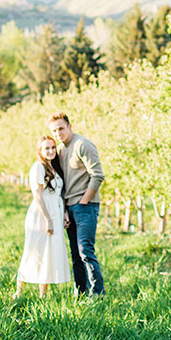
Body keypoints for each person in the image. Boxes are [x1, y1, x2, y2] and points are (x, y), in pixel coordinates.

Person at [49, 110, 106, 298]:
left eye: (61, 129)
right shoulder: (60, 150)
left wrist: (84, 201)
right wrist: (65, 210)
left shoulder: (83, 145)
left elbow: (97, 175)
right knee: (75, 254)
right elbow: (64, 183)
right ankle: (80, 292)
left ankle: (97, 293)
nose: (58, 133)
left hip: (85, 206)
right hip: (70, 208)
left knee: (85, 251)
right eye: (55, 131)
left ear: (69, 126)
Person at [15, 135, 73, 298]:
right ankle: (19, 292)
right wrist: (48, 219)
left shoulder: (54, 168)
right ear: (40, 150)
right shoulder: (38, 167)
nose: (51, 151)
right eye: (46, 148)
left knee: (49, 253)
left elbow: (58, 195)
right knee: (34, 252)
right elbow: (38, 196)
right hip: (41, 214)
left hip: (55, 212)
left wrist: (64, 214)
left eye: (53, 147)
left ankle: (43, 295)